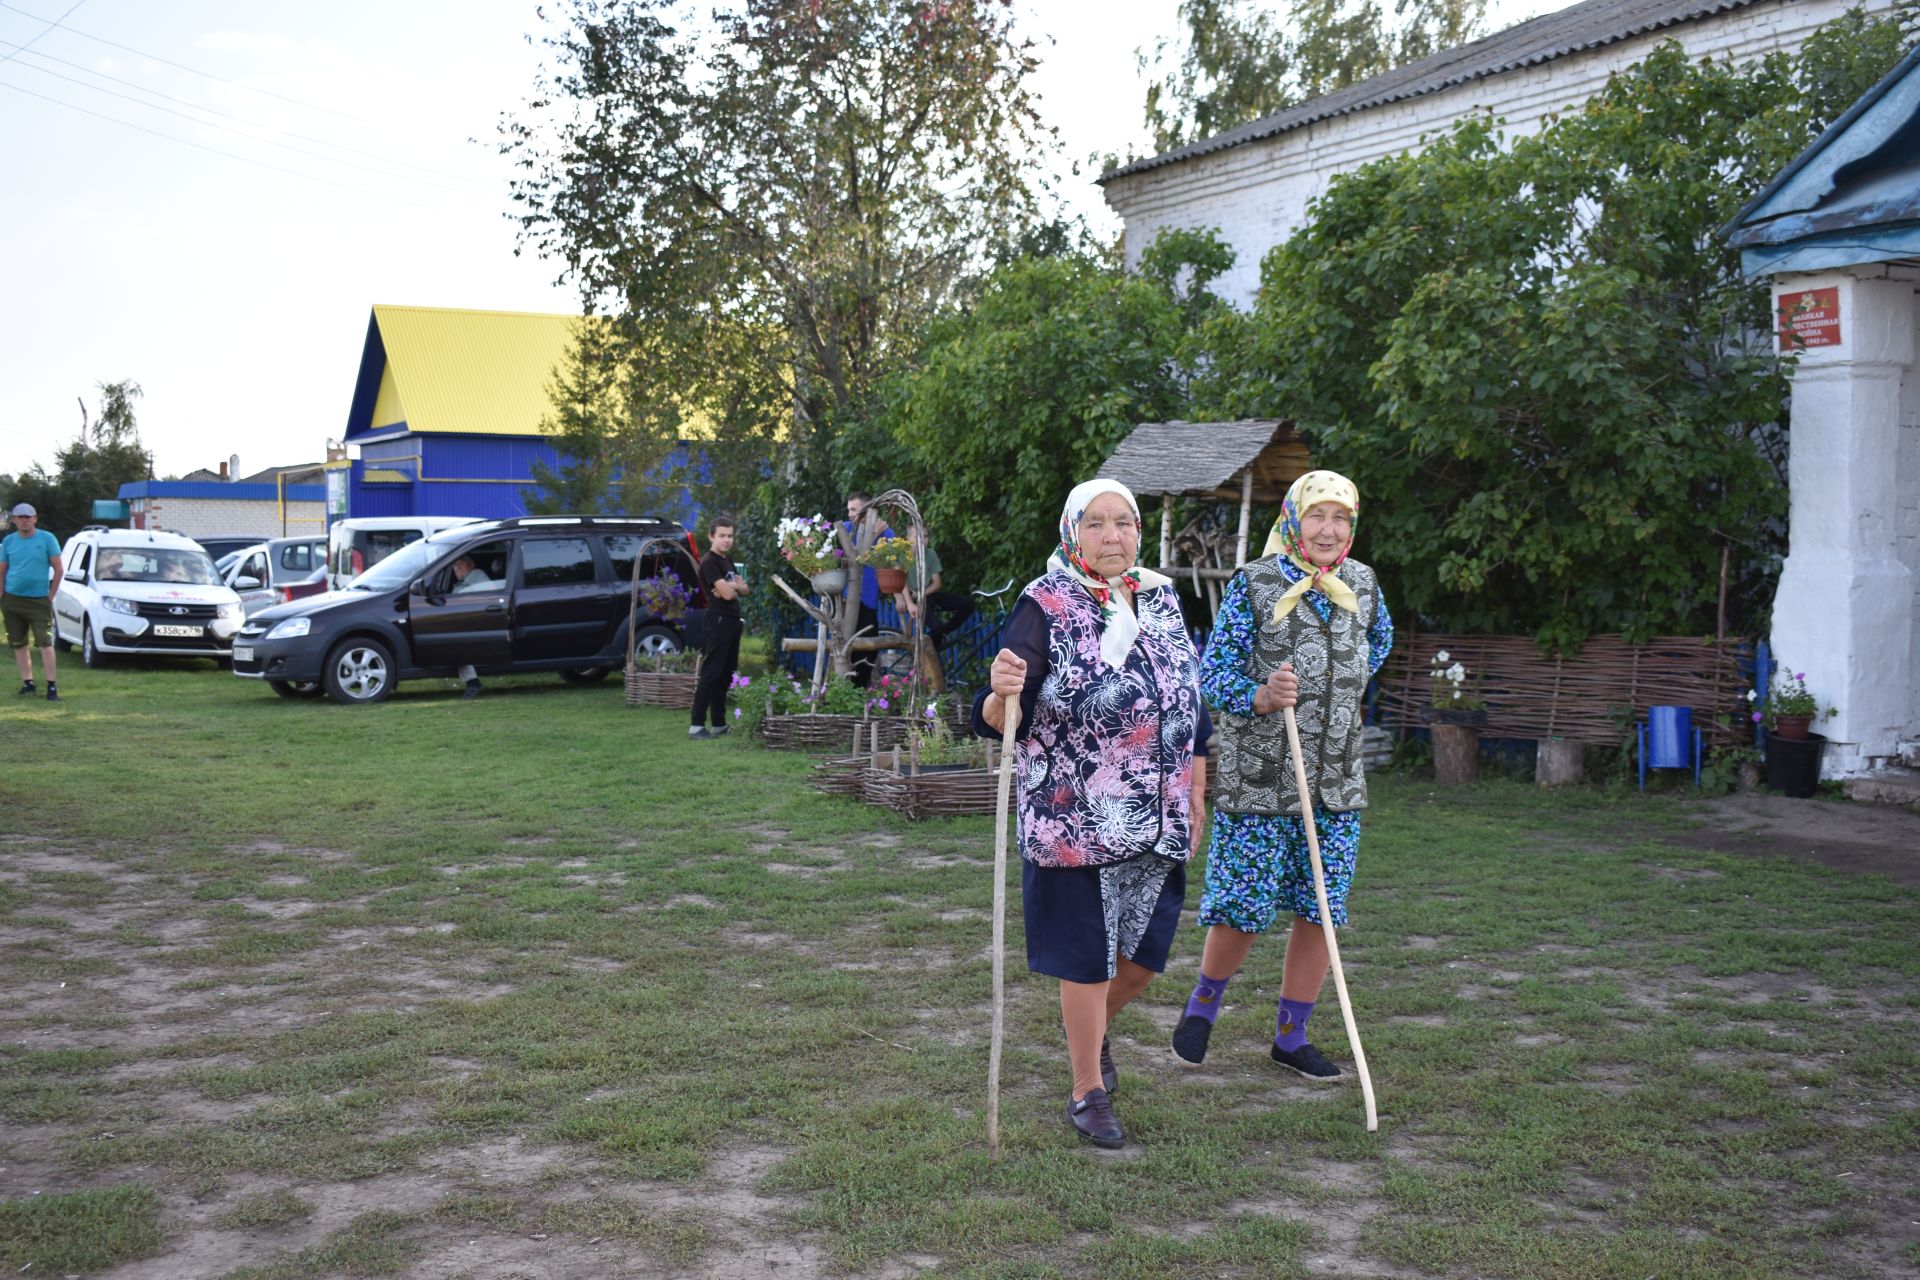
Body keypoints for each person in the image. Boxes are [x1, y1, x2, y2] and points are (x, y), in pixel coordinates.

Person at [973, 479, 1209, 1150]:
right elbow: (996, 718)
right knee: (1088, 962)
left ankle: (1088, 1031)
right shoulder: (1045, 603)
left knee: (1143, 956)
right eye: (1098, 524)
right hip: (1074, 818)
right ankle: (1088, 1088)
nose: (1113, 536)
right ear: (1073, 532)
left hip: (1156, 815)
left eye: (1125, 523)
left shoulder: (1160, 597)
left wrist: (1196, 788)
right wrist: (999, 694)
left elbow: (1190, 702)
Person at [1172, 470, 1393, 1082]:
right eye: (1317, 516)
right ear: (1295, 520)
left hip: (1335, 782)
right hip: (1262, 779)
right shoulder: (1254, 583)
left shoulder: (1364, 585)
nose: (1328, 529)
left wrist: (1336, 693)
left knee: (1321, 908)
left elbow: (1378, 645)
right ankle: (1204, 1004)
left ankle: (1291, 1038)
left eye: (1340, 518)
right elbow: (1211, 677)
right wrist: (1263, 695)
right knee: (1244, 906)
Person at [691, 516, 748, 739]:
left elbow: (746, 589)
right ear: (711, 536)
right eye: (722, 536)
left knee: (726, 674)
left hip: (732, 622)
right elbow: (728, 594)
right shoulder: (709, 562)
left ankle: (718, 723)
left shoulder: (727, 561)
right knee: (711, 673)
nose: (726, 540)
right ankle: (696, 725)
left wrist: (733, 586)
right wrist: (733, 587)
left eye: (730, 536)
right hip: (718, 621)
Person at [1, 503, 63, 701]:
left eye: (28, 516)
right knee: (19, 643)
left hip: (39, 600)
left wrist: (50, 596)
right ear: (14, 520)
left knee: (45, 642)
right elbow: (2, 570)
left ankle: (52, 686)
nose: (24, 520)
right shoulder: (9, 541)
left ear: (35, 518)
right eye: (20, 517)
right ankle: (28, 683)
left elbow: (58, 569)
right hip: (12, 599)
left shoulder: (47, 539)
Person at [901, 524, 973, 644]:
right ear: (908, 539)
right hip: (915, 598)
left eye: (925, 536)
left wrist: (922, 593)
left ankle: (943, 633)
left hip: (930, 593)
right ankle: (928, 646)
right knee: (936, 626)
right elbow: (900, 580)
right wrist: (909, 603)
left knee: (968, 603)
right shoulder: (904, 555)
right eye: (917, 536)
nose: (922, 540)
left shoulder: (930, 554)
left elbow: (937, 583)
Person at [449, 554, 495, 699]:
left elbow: (489, 593)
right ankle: (472, 681)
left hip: (480, 620)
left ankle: (473, 682)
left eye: (461, 565)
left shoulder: (477, 576)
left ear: (471, 565)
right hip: (467, 621)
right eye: (455, 566)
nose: (457, 568)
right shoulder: (462, 582)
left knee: (457, 644)